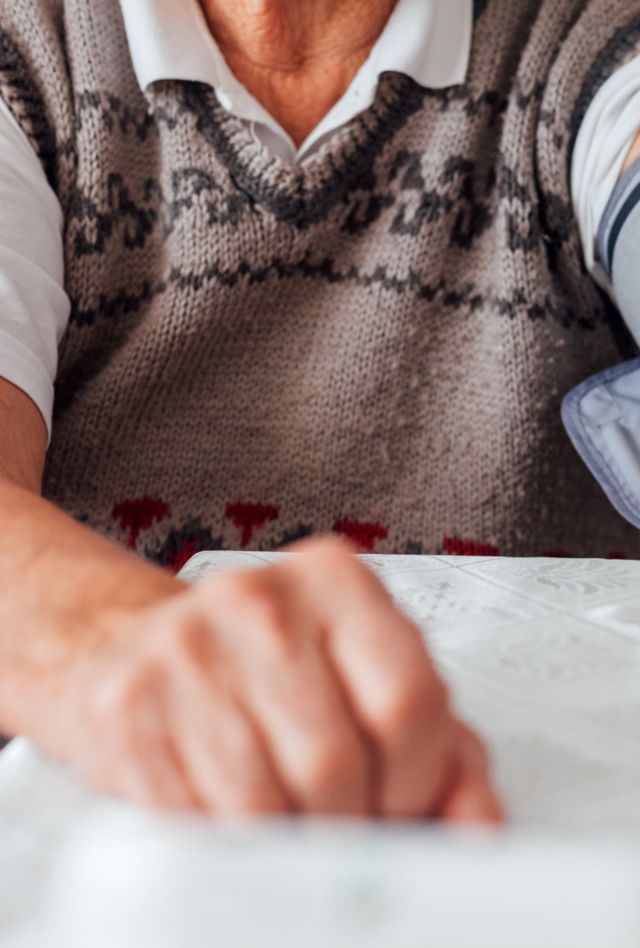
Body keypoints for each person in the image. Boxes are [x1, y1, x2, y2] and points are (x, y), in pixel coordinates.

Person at [0, 0, 637, 817]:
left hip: (535, 835)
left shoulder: (592, 45)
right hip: (128, 852)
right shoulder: (28, 57)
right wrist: (122, 646)